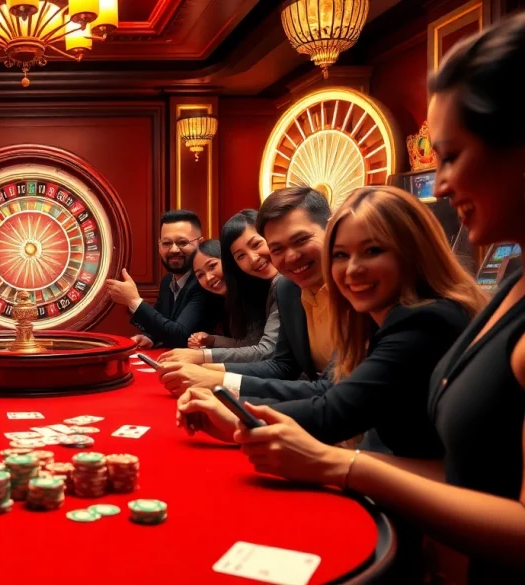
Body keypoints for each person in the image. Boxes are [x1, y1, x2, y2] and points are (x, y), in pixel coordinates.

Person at [226, 15, 525, 581]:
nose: (440, 184)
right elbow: (460, 472)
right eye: (341, 255)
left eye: (452, 155)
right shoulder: (510, 288)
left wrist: (342, 465)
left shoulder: (427, 320)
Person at [176, 186, 485, 461]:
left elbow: (336, 409)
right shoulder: (332, 297)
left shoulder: (422, 318)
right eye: (340, 255)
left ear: (413, 250)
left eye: (372, 251)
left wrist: (236, 412)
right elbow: (299, 375)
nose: (352, 269)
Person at [159, 188, 333, 400]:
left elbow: (268, 353)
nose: (291, 256)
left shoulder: (351, 290)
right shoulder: (286, 288)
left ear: (332, 229)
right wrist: (210, 372)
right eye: (277, 248)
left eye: (301, 240)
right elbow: (283, 364)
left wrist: (210, 369)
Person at [160, 209, 280, 365]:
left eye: (212, 266)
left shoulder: (277, 284)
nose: (253, 258)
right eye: (200, 275)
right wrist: (212, 340)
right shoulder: (234, 298)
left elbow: (265, 351)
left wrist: (203, 355)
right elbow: (248, 343)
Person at [105, 209, 222, 349]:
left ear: (200, 243)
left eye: (182, 242)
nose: (173, 250)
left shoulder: (205, 283)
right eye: (166, 243)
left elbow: (181, 336)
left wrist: (134, 301)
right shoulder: (167, 281)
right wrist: (150, 338)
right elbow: (163, 321)